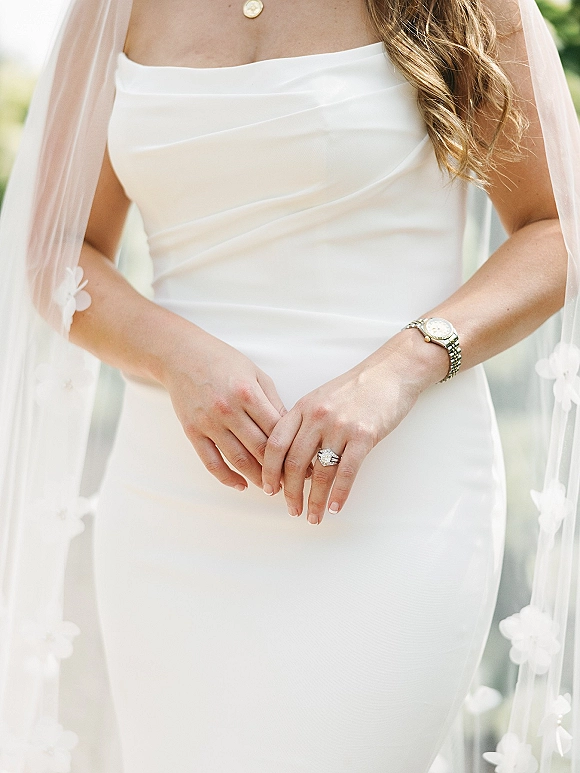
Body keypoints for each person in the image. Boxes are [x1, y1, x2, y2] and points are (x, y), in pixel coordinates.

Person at [0, 0, 575, 772]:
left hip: (393, 501)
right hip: (172, 512)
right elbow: (54, 247)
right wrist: (176, 356)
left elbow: (557, 227)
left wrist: (399, 369)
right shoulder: (114, 8)